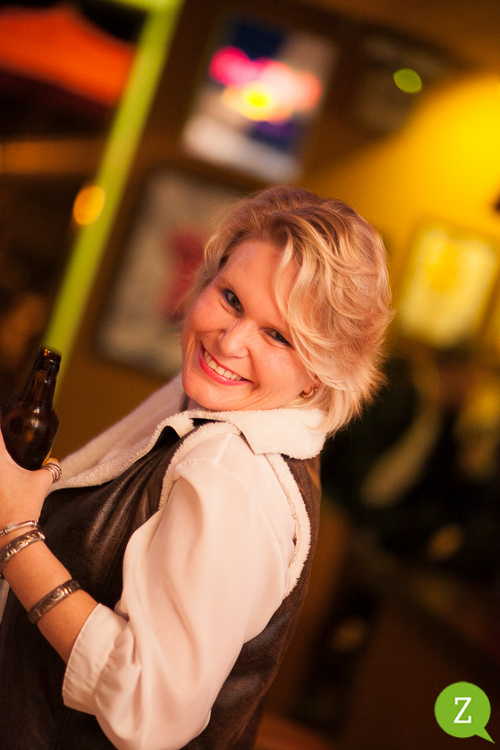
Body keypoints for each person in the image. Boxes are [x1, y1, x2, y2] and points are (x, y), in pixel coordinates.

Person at [0, 185, 392, 749]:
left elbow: (150, 711)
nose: (229, 342)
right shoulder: (211, 399)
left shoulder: (231, 472)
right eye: (231, 298)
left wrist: (16, 536)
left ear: (320, 373)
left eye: (278, 336)